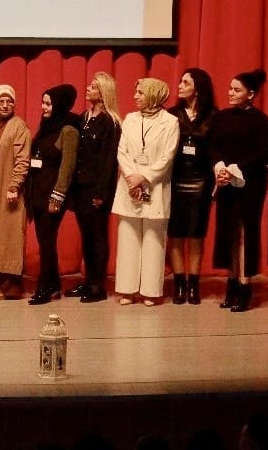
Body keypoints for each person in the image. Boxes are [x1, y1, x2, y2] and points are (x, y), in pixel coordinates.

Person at [206, 69, 268, 312]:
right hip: (225, 182)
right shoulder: (221, 117)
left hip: (249, 184)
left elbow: (263, 153)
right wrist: (219, 166)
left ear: (250, 94)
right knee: (228, 233)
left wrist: (236, 169)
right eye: (230, 88)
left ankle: (245, 285)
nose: (231, 93)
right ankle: (231, 281)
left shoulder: (260, 120)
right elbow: (211, 145)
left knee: (244, 232)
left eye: (237, 90)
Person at [112, 78, 180, 307]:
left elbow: (167, 157)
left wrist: (144, 177)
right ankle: (128, 289)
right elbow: (122, 152)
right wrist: (132, 178)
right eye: (136, 92)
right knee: (128, 237)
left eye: (140, 92)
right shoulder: (130, 119)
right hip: (129, 185)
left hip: (155, 186)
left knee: (154, 239)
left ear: (153, 95)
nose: (136, 96)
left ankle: (150, 291)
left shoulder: (170, 122)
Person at [65, 73, 121, 302]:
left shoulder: (110, 122)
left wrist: (101, 192)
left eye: (94, 87)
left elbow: (109, 160)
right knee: (86, 236)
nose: (88, 88)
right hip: (80, 186)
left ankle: (98, 286)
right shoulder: (84, 117)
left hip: (97, 188)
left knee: (98, 236)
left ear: (104, 92)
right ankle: (88, 281)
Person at [27, 86, 80, 305]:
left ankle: (44, 287)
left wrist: (57, 197)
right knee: (44, 242)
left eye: (48, 104)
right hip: (37, 193)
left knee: (47, 243)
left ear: (59, 105)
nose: (44, 107)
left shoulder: (68, 130)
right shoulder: (46, 126)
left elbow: (67, 167)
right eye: (43, 102)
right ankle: (54, 286)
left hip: (52, 195)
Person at [167, 68, 216, 305]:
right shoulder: (171, 114)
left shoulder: (213, 116)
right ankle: (179, 283)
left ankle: (194, 283)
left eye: (185, 82)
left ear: (198, 88)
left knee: (196, 233)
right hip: (175, 178)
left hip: (201, 179)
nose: (180, 85)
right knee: (175, 233)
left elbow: (217, 150)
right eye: (180, 81)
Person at [0, 85, 32, 301]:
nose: (5, 105)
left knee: (9, 237)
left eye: (9, 101)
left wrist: (14, 186)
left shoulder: (19, 126)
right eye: (1, 101)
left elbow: (23, 160)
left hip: (6, 189)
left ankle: (11, 286)